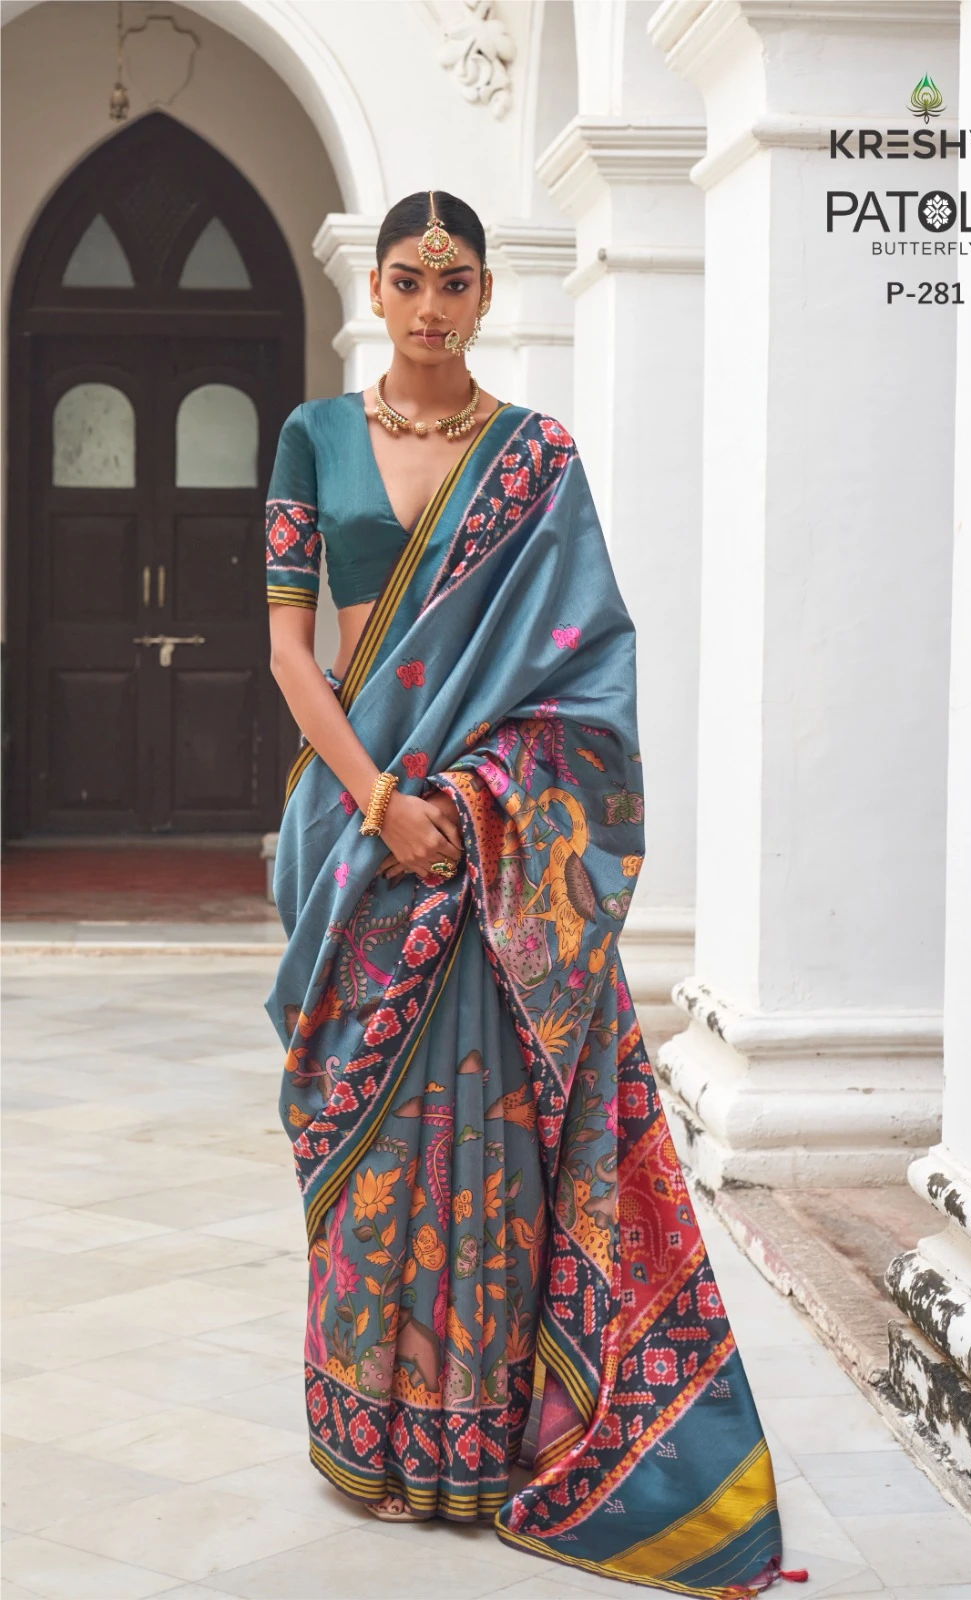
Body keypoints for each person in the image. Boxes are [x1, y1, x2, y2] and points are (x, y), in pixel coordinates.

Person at [264, 190, 804, 1597]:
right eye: (407, 280)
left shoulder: (538, 458)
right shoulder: (314, 436)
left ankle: (486, 1435)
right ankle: (373, 1422)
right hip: (357, 838)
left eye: (454, 283)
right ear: (375, 290)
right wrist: (383, 806)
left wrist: (469, 810)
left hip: (499, 852)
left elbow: (583, 674)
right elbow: (290, 653)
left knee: (495, 1136)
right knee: (364, 1131)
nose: (429, 306)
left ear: (488, 295)